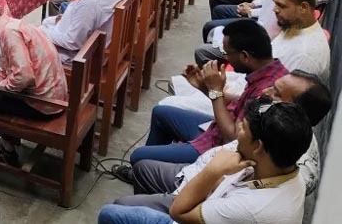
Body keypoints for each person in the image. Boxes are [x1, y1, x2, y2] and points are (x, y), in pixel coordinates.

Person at [109, 70, 330, 215]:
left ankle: (146, 210)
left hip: (202, 189)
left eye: (277, 93)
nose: (266, 92)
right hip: (198, 171)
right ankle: (149, 206)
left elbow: (231, 138)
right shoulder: (272, 125)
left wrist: (213, 171)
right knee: (143, 166)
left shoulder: (279, 162)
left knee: (117, 209)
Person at [100, 100, 313, 224]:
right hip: (203, 198)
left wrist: (213, 171)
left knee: (111, 213)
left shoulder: (252, 209)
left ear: (258, 146)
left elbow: (178, 212)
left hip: (189, 208)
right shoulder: (281, 164)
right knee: (143, 169)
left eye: (242, 129)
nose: (237, 133)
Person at [130, 19, 288, 166]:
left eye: (227, 54)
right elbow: (238, 102)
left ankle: (161, 177)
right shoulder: (271, 71)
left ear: (245, 56)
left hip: (219, 148)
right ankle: (156, 168)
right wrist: (203, 86)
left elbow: (233, 139)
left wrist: (215, 90)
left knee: (139, 157)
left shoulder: (266, 91)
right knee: (161, 113)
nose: (226, 59)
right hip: (216, 130)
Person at [0, 2, 67, 158]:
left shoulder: (9, 34)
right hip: (53, 97)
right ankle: (7, 143)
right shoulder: (12, 25)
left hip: (44, 104)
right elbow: (6, 70)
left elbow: (23, 77)